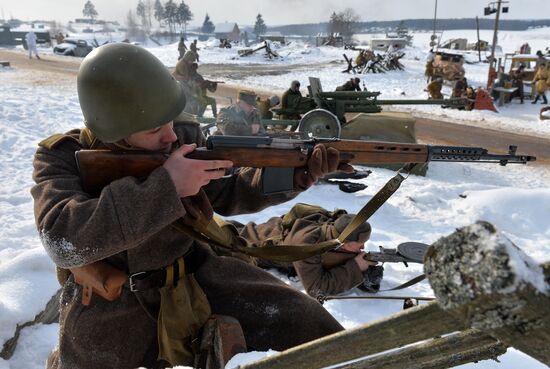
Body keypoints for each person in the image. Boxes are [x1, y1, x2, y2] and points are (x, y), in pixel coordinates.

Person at [31, 43, 350, 369]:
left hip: (196, 275)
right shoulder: (60, 157)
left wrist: (295, 173)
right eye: (155, 129)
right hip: (110, 302)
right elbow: (63, 239)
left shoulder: (181, 134)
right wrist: (166, 187)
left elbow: (228, 190)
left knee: (311, 325)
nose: (171, 136)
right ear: (116, 129)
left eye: (169, 121)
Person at [213, 203, 382, 297]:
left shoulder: (335, 225)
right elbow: (316, 288)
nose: (363, 248)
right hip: (245, 246)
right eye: (360, 245)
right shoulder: (307, 245)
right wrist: (355, 268)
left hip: (268, 231)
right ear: (344, 242)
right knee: (217, 239)